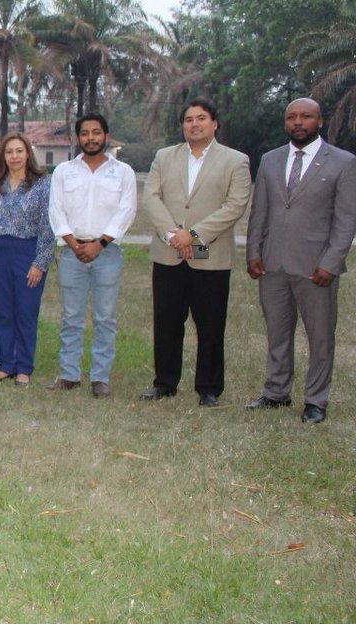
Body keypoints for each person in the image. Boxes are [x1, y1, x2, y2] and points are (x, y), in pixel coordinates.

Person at [245, 98, 356, 424]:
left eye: (305, 116)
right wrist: (254, 252)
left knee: (320, 337)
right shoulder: (269, 160)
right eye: (291, 116)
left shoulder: (343, 162)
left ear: (319, 121)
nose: (298, 122)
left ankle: (316, 401)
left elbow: (346, 220)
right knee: (277, 333)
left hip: (316, 268)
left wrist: (331, 263)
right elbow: (259, 211)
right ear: (285, 123)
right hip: (272, 264)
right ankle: (276, 392)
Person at [140, 98, 251, 407]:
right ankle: (164, 383)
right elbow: (151, 197)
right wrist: (173, 235)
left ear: (215, 123)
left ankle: (209, 388)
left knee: (211, 324)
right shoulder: (165, 157)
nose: (194, 124)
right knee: (166, 322)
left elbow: (235, 205)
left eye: (201, 118)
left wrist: (194, 235)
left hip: (211, 256)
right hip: (169, 252)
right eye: (188, 119)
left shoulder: (236, 160)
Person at [46, 112, 136, 398]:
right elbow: (56, 211)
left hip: (107, 253)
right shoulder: (64, 171)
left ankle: (100, 378)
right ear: (78, 138)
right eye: (85, 133)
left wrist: (101, 243)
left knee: (105, 317)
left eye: (96, 133)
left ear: (105, 136)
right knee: (71, 317)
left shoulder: (123, 172)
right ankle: (69, 374)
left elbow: (127, 211)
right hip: (73, 253)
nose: (91, 138)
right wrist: (74, 244)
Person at [0, 132, 54, 388]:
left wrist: (40, 262)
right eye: (9, 151)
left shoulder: (43, 184)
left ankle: (24, 366)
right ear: (3, 156)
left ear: (28, 154)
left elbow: (48, 227)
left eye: (19, 151)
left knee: (25, 310)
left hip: (27, 251)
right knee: (3, 310)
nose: (14, 156)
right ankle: (6, 363)